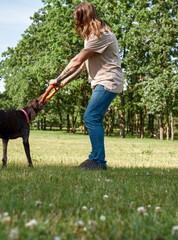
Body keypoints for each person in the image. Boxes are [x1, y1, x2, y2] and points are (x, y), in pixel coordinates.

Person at [49, 2, 124, 170]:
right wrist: (63, 83)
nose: (77, 24)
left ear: (85, 17)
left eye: (78, 20)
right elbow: (82, 68)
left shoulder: (101, 35)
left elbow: (77, 61)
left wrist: (58, 77)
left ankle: (98, 161)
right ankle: (95, 159)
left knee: (91, 117)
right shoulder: (92, 37)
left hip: (109, 80)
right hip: (103, 81)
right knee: (93, 117)